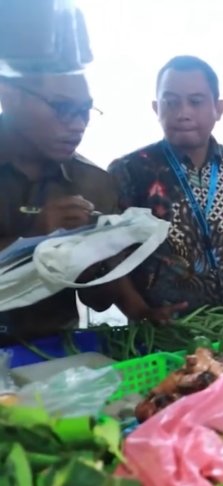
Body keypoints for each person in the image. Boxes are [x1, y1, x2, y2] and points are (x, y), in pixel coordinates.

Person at [0, 73, 171, 343]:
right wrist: (34, 241)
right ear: (9, 96)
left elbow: (98, 300)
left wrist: (141, 311)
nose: (78, 125)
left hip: (55, 353)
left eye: (85, 112)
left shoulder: (93, 184)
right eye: (63, 108)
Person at [108, 56, 223, 312]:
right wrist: (142, 314)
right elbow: (111, 256)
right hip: (163, 328)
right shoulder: (129, 170)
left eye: (196, 102)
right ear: (156, 108)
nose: (183, 113)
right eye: (171, 102)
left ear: (218, 109)